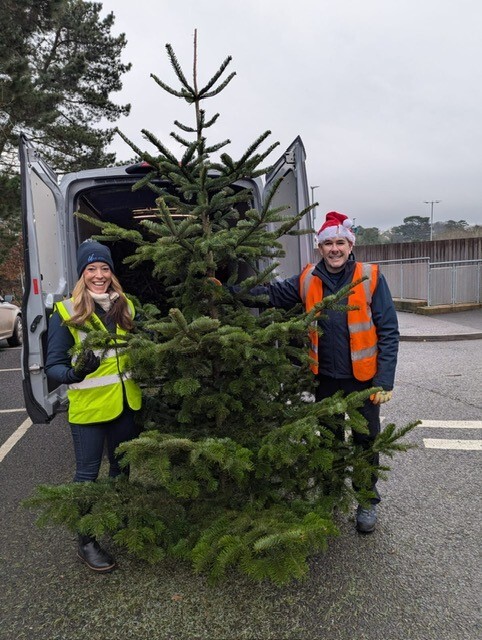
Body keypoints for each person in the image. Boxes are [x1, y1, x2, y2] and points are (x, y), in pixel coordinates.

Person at [239, 211, 399, 533]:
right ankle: (329, 496)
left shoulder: (370, 276)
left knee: (365, 441)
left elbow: (389, 331)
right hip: (324, 379)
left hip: (364, 380)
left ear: (350, 245)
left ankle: (366, 500)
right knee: (328, 441)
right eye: (328, 243)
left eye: (340, 242)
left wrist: (384, 380)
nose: (334, 248)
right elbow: (270, 295)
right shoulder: (308, 278)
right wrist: (228, 292)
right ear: (320, 247)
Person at [45, 239, 142, 572]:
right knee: (87, 476)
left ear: (111, 272)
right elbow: (52, 366)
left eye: (104, 268)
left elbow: (140, 348)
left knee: (121, 470)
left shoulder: (126, 307)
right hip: (89, 411)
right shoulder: (67, 311)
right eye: (91, 269)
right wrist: (75, 372)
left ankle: (117, 521)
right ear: (82, 273)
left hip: (126, 405)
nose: (98, 275)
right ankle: (85, 542)